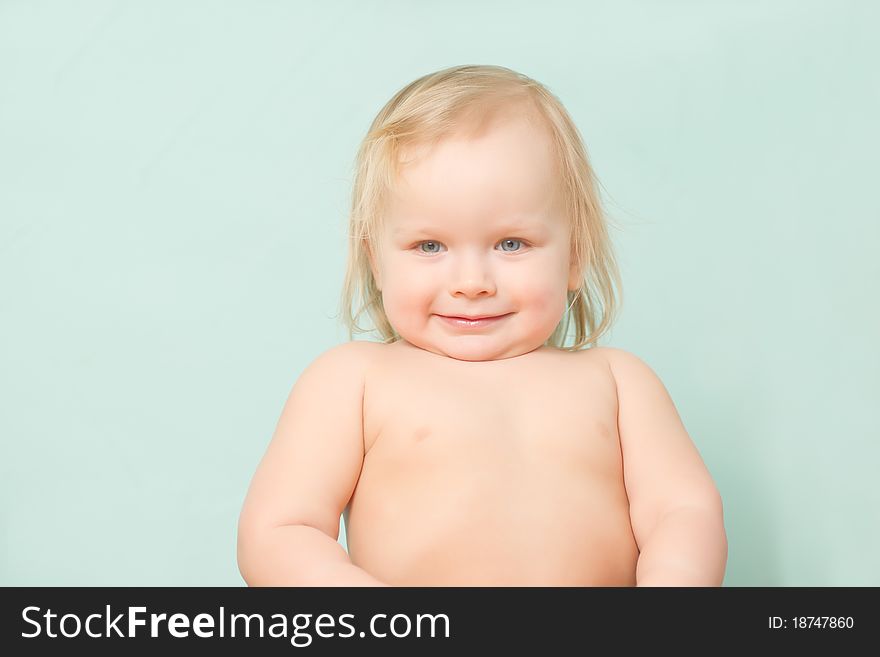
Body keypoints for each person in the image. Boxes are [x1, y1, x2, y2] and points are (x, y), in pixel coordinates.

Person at [237, 64, 728, 586]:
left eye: (511, 243)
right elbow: (280, 530)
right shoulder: (354, 381)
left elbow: (683, 512)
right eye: (430, 246)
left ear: (576, 255)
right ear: (377, 262)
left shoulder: (619, 382)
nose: (472, 282)